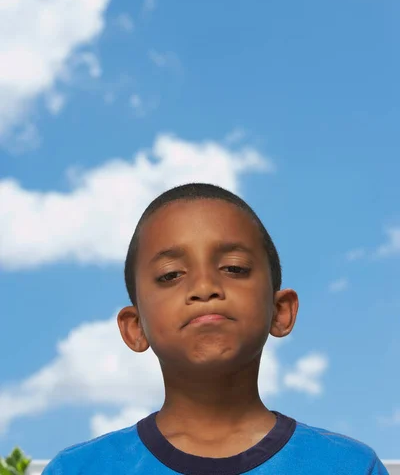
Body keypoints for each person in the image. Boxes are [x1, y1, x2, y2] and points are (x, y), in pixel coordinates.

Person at [43, 182, 388, 474]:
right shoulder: (79, 469)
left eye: (234, 268)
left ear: (280, 311)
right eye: (170, 275)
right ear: (135, 328)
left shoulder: (350, 467)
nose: (205, 286)